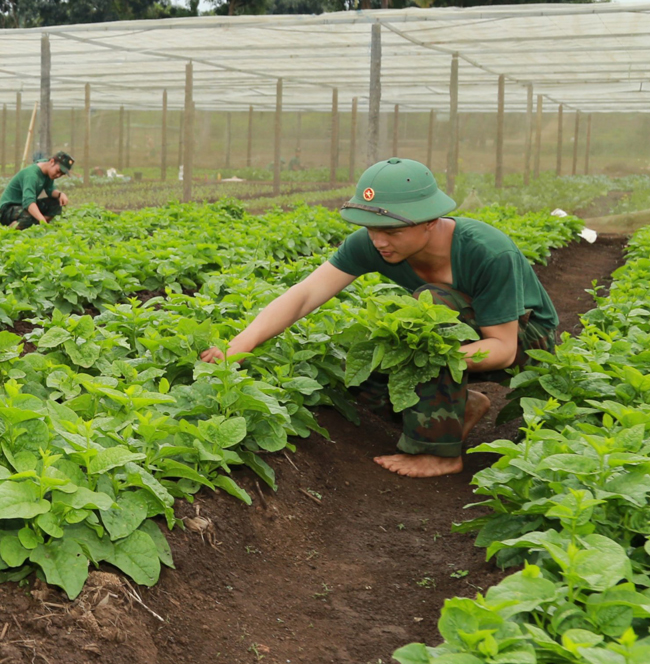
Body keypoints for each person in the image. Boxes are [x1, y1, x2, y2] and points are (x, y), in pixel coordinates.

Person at [200, 159, 559, 479]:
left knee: (430, 308)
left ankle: (439, 455)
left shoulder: (487, 252)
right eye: (371, 227)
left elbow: (503, 349)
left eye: (391, 230)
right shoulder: (372, 243)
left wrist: (424, 359)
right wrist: (240, 345)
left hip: (525, 338)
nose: (378, 240)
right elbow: (305, 294)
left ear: (430, 222)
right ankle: (462, 406)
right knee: (360, 367)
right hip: (461, 337)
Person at [0, 152, 73, 228]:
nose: (58, 175)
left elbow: (50, 190)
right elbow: (29, 202)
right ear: (52, 162)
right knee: (28, 217)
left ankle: (35, 226)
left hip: (22, 205)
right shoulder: (31, 175)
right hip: (7, 209)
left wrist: (60, 194)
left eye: (61, 174)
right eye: (58, 171)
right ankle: (11, 229)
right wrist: (42, 220)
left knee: (56, 203)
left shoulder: (48, 172)